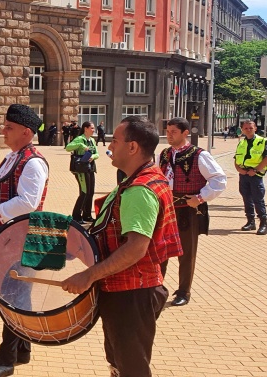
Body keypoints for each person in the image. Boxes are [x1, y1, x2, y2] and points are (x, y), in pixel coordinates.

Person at [61, 116, 183, 377]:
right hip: (130, 291)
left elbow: (136, 248)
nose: (109, 146)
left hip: (131, 294)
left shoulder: (139, 190)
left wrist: (88, 275)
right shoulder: (140, 180)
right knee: (120, 362)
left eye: (115, 141)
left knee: (132, 368)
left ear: (132, 147)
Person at [0, 104, 49, 377]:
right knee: (18, 295)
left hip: (21, 238)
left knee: (11, 297)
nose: (3, 131)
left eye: (9, 128)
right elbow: (2, 194)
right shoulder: (13, 157)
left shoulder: (33, 162)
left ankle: (6, 360)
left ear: (26, 132)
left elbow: (28, 202)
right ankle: (23, 349)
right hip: (9, 236)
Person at [157, 117, 226, 307]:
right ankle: (157, 289)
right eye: (168, 131)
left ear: (185, 133)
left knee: (186, 253)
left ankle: (183, 292)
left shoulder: (199, 155)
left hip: (188, 210)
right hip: (166, 209)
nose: (169, 135)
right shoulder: (163, 154)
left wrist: (201, 198)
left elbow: (219, 179)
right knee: (161, 250)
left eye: (173, 132)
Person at [234, 120, 267, 235]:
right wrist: (238, 169)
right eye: (246, 128)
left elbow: (266, 158)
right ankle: (250, 222)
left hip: (255, 175)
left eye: (250, 128)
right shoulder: (242, 143)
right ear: (242, 130)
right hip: (243, 174)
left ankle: (263, 223)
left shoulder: (263, 141)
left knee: (258, 199)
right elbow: (236, 158)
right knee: (246, 199)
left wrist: (256, 170)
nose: (248, 130)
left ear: (255, 129)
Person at [65, 121, 99, 224]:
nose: (94, 130)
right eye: (92, 128)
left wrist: (93, 156)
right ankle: (76, 216)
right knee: (84, 192)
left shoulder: (92, 140)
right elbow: (68, 148)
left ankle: (87, 215)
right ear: (86, 129)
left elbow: (97, 153)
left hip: (90, 168)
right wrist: (80, 145)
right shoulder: (80, 139)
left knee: (91, 192)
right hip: (81, 169)